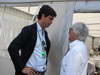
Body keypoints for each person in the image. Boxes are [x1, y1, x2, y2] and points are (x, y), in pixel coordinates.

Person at [8, 5, 57, 75]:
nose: (51, 22)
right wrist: (22, 68)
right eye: (50, 18)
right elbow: (12, 48)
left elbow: (43, 53)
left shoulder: (45, 34)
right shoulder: (29, 30)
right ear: (43, 16)